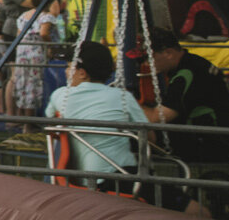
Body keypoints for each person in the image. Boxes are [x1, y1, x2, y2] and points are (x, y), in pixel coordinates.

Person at [150, 28, 229, 218]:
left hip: (213, 143)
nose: (148, 63)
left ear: (168, 53)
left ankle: (168, 201)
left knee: (142, 141)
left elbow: (159, 117)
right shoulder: (192, 64)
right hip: (215, 136)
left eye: (151, 56)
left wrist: (128, 104)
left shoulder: (187, 73)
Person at [46, 41, 156, 190]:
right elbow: (149, 137)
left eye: (68, 67)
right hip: (126, 176)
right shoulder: (123, 96)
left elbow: (50, 118)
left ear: (82, 73)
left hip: (90, 179)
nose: (66, 71)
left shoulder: (60, 95)